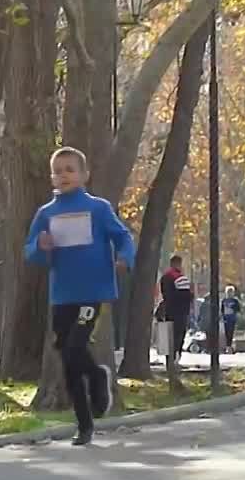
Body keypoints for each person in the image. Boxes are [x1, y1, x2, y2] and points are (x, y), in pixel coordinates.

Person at [24, 146, 135, 446]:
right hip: (62, 294)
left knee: (74, 346)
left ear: (85, 175)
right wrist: (40, 247)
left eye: (70, 170)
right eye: (58, 171)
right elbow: (30, 250)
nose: (64, 176)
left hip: (93, 291)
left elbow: (122, 236)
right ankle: (84, 424)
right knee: (68, 357)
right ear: (52, 178)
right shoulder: (46, 213)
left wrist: (125, 257)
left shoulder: (97, 208)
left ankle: (99, 379)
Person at [158, 255, 194, 362]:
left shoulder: (165, 277)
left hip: (169, 311)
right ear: (178, 263)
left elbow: (164, 294)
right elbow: (186, 296)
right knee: (179, 335)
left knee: (169, 336)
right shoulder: (180, 278)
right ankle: (176, 356)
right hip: (180, 312)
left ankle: (169, 358)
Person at [220, 286, 242, 352]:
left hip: (232, 318)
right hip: (225, 318)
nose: (229, 294)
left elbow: (238, 309)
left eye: (231, 292)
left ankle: (230, 346)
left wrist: (233, 308)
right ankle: (227, 346)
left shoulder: (235, 301)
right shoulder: (224, 300)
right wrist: (222, 316)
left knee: (231, 332)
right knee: (226, 332)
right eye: (228, 292)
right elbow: (222, 309)